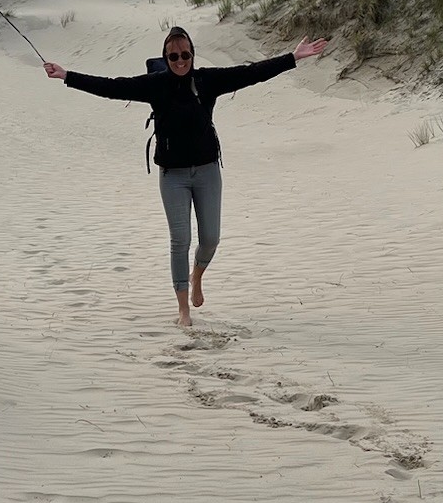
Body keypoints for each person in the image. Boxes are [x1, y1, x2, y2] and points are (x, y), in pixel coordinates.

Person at [45, 26, 329, 326]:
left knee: (210, 239)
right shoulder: (156, 84)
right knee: (180, 240)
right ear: (165, 57)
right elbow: (112, 87)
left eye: (185, 55)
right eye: (173, 56)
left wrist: (293, 57)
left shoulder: (207, 80)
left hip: (207, 171)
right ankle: (183, 309)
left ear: (192, 54)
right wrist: (67, 76)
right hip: (173, 176)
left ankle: (197, 275)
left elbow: (251, 73)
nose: (180, 61)